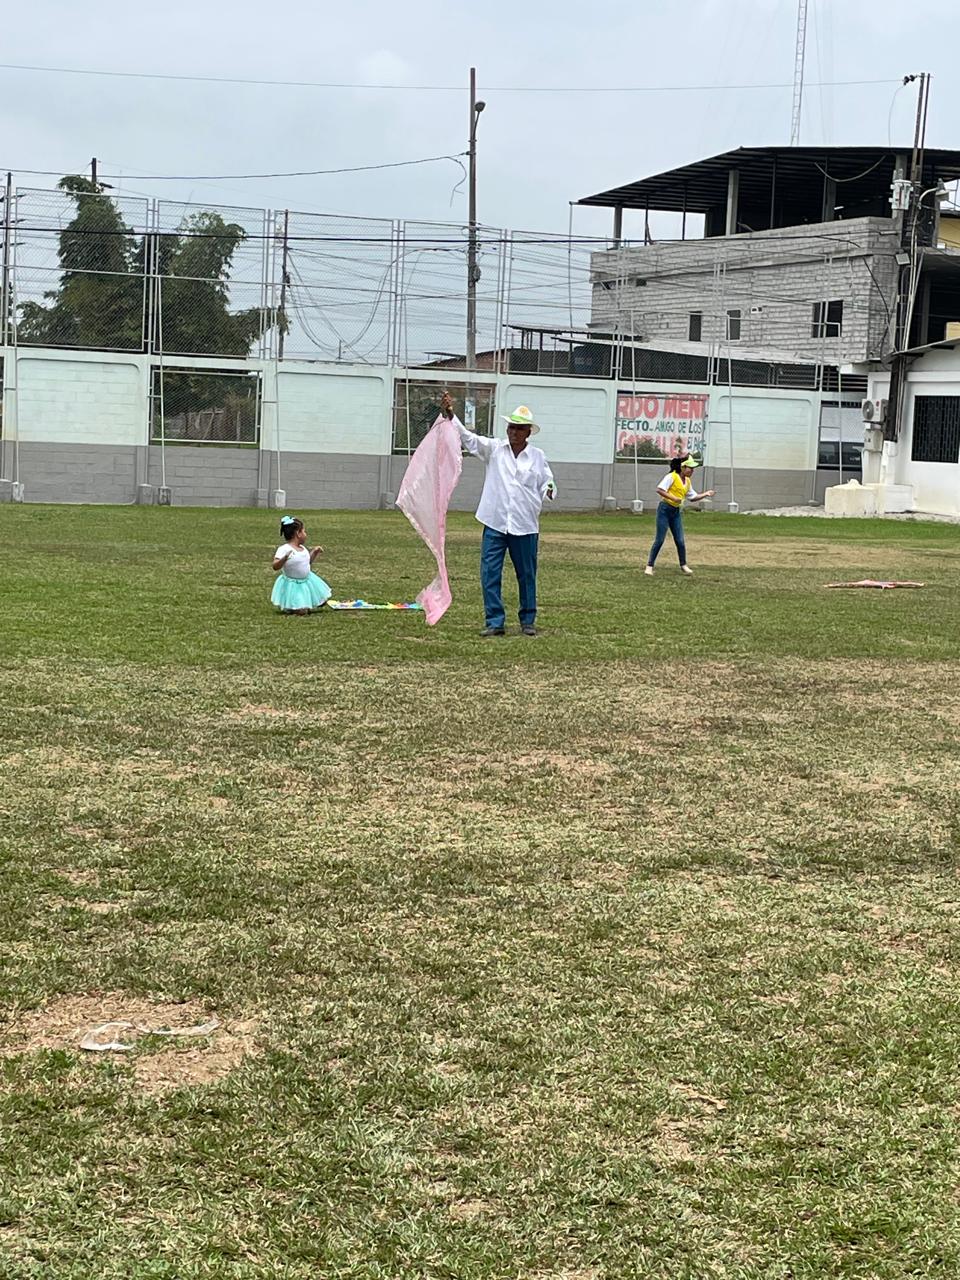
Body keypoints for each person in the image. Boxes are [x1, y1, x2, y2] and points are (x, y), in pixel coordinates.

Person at [454, 401, 556, 637]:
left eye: (519, 428)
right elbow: (469, 439)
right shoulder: (495, 450)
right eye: (511, 427)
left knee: (527, 574)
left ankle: (528, 620)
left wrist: (549, 490)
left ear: (528, 432)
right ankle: (494, 621)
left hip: (525, 525)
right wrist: (451, 416)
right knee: (490, 572)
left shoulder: (537, 457)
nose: (513, 432)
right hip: (495, 522)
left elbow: (547, 482)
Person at [644, 456, 715, 576]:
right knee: (659, 540)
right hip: (664, 510)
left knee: (680, 540)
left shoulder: (687, 481)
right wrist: (673, 498)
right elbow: (660, 490)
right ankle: (649, 566)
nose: (692, 471)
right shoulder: (671, 476)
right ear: (683, 467)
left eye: (693, 469)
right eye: (690, 468)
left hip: (676, 512)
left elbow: (692, 497)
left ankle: (683, 565)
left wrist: (706, 494)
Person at [271, 516, 332, 614]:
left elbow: (307, 562)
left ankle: (310, 602)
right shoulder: (284, 549)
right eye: (304, 531)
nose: (305, 534)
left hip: (307, 581)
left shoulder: (303, 549)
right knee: (302, 611)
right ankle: (293, 607)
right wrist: (284, 558)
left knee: (321, 599)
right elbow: (275, 566)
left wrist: (314, 552)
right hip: (293, 585)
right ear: (298, 534)